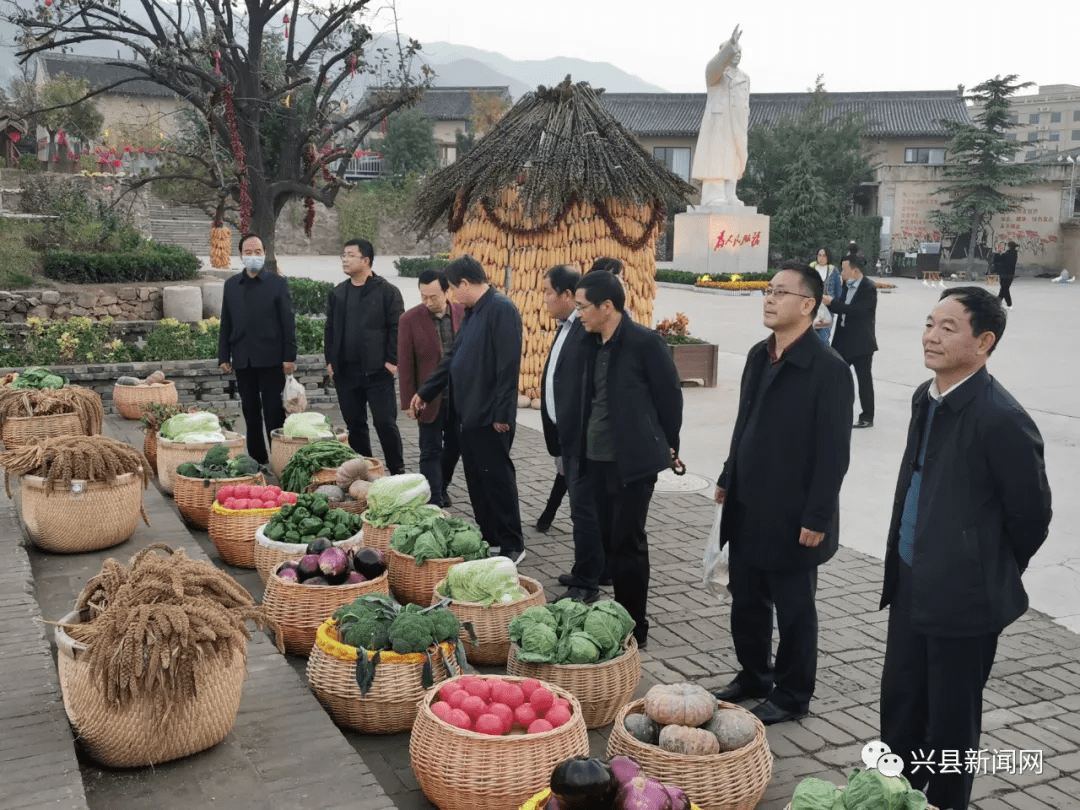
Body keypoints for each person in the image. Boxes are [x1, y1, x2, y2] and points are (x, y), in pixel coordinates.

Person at [878, 287, 1051, 810]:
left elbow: (1032, 517)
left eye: (948, 327)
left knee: (953, 724)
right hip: (911, 581)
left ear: (984, 342)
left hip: (964, 600)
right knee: (902, 707)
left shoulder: (1001, 418)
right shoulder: (925, 397)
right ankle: (896, 797)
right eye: (929, 323)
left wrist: (981, 565)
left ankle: (947, 803)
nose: (931, 336)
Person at [712, 261, 854, 725]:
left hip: (794, 515)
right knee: (746, 599)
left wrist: (817, 516)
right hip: (748, 503)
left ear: (808, 306)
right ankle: (755, 674)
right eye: (767, 291)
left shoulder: (828, 369)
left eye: (780, 292)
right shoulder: (759, 354)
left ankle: (793, 694)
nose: (769, 299)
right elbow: (744, 424)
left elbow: (834, 454)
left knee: (794, 610)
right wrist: (728, 473)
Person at [574, 271, 682, 645]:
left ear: (607, 306)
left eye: (583, 307)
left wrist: (670, 444)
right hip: (595, 458)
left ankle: (635, 625)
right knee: (607, 541)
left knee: (628, 543)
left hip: (632, 462)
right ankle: (613, 616)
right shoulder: (590, 342)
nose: (578, 314)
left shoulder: (644, 342)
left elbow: (670, 398)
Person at [411, 255, 525, 562]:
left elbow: (508, 365)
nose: (450, 295)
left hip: (490, 415)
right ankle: (490, 536)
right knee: (477, 479)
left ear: (464, 283)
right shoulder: (474, 311)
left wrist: (503, 414)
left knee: (497, 479)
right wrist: (426, 392)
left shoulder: (501, 309)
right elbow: (451, 358)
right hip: (468, 413)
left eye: (450, 288)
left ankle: (512, 542)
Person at [539, 264, 604, 602]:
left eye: (549, 292)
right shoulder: (566, 327)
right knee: (581, 510)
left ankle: (587, 583)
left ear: (567, 295)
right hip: (566, 438)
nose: (545, 299)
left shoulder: (586, 330)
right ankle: (585, 568)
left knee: (585, 512)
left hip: (583, 440)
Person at [324, 239, 406, 474]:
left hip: (378, 372)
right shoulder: (338, 293)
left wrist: (392, 361)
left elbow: (397, 328)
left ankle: (397, 469)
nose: (345, 259)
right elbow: (330, 329)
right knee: (355, 425)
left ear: (366, 260)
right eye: (344, 255)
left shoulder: (387, 291)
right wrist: (330, 360)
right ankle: (366, 470)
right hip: (346, 372)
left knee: (385, 423)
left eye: (350, 255)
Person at [217, 233, 296, 465]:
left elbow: (288, 323)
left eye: (258, 252)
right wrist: (224, 355)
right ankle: (257, 459)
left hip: (272, 360)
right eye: (248, 252)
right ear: (241, 255)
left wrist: (289, 356)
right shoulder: (231, 286)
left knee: (274, 413)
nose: (253, 256)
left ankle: (280, 460)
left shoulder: (277, 283)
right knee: (250, 413)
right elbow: (226, 323)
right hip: (243, 359)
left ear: (265, 254)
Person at [397, 269, 464, 507]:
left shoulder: (463, 313)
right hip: (428, 396)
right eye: (423, 296)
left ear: (447, 291)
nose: (428, 302)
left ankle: (441, 485)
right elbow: (405, 364)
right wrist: (408, 402)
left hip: (458, 396)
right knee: (429, 449)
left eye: (433, 296)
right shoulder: (409, 320)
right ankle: (432, 497)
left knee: (455, 445)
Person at [692, 24, 750, 207]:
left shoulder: (745, 77)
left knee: (733, 156)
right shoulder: (715, 74)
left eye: (740, 50)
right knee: (717, 156)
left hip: (737, 124)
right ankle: (713, 195)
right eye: (735, 50)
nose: (738, 53)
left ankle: (729, 193)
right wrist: (729, 47)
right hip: (719, 122)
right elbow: (714, 66)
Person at [825, 254, 878, 428]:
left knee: (864, 381)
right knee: (834, 376)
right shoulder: (846, 285)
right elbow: (841, 307)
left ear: (855, 271)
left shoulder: (868, 288)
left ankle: (867, 417)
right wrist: (828, 304)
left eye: (844, 269)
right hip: (842, 341)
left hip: (861, 343)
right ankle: (832, 411)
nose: (842, 272)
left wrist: (833, 303)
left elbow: (857, 311)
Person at [810, 247, 842, 345]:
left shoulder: (834, 271)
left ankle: (823, 359)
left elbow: (838, 291)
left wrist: (834, 303)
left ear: (828, 257)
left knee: (824, 339)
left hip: (828, 310)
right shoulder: (810, 269)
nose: (821, 258)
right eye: (819, 255)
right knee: (812, 338)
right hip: (812, 309)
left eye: (824, 255)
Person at [994, 241, 1019, 309]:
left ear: (1009, 246)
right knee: (1004, 289)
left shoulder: (1006, 254)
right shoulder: (1014, 254)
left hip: (1004, 274)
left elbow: (997, 260)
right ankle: (999, 303)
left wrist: (998, 252)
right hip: (1010, 275)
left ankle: (1008, 304)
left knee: (1004, 290)